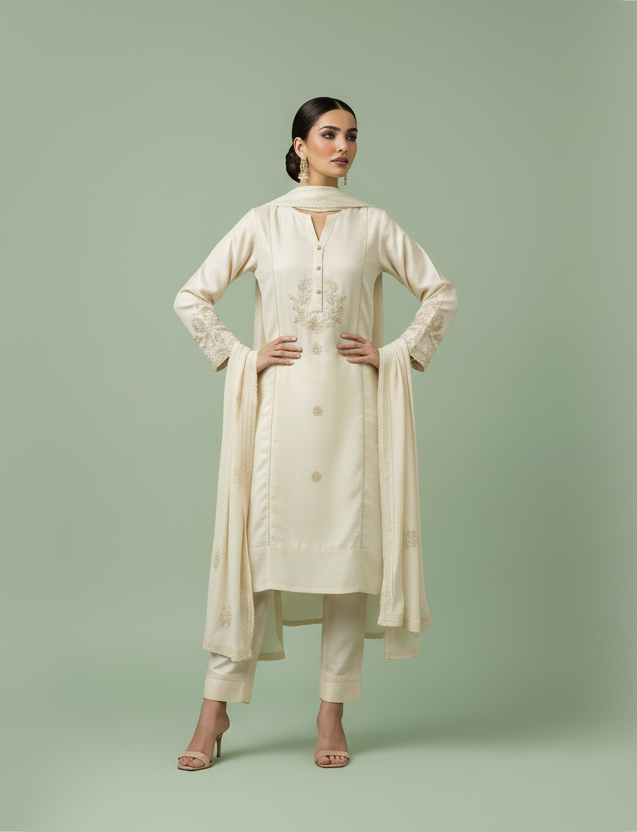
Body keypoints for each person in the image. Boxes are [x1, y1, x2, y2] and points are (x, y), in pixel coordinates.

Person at [173, 97, 459, 770]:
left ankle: (332, 715)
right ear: (299, 145)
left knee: (346, 568)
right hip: (280, 415)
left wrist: (395, 353)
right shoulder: (263, 223)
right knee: (254, 560)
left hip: (353, 413)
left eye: (351, 136)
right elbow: (192, 296)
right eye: (328, 134)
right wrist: (242, 356)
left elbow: (440, 293)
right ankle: (214, 710)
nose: (343, 146)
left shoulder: (372, 224)